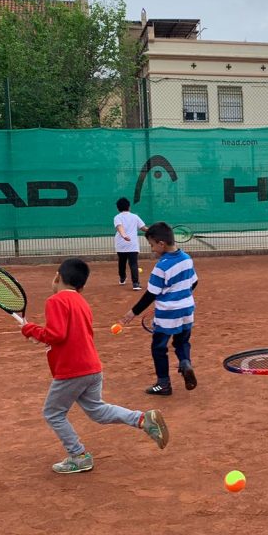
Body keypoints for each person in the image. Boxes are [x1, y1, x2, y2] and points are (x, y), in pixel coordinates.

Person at [20, 257, 169, 474]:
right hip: (91, 367)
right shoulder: (81, 302)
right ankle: (142, 419)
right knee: (98, 411)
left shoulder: (55, 301)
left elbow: (56, 334)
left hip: (72, 370)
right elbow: (65, 335)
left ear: (57, 277)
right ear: (81, 286)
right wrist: (41, 336)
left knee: (53, 413)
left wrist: (31, 330)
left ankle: (78, 455)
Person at [121, 222, 198, 395]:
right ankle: (185, 362)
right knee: (182, 342)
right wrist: (181, 297)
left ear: (161, 244)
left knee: (158, 347)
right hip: (187, 310)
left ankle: (163, 384)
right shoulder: (187, 259)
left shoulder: (161, 266)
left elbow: (151, 294)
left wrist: (133, 312)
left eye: (152, 245)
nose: (152, 249)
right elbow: (194, 282)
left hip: (167, 313)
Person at [113, 197, 147, 291]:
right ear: (129, 207)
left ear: (118, 208)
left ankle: (122, 278)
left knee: (122, 262)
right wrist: (153, 230)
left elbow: (119, 227)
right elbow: (144, 228)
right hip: (132, 245)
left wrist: (124, 235)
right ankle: (135, 284)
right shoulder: (135, 216)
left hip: (121, 245)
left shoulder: (117, 217)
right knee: (133, 263)